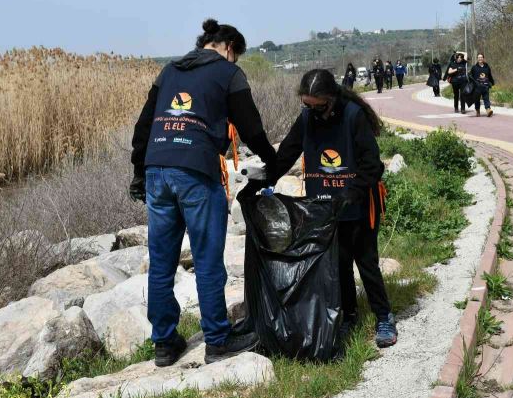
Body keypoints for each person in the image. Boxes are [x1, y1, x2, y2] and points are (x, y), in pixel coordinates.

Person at [130, 19, 278, 366]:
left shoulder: (169, 71)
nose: (235, 62)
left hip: (157, 170)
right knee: (208, 260)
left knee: (162, 263)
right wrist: (274, 162)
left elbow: (143, 126)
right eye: (236, 56)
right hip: (196, 171)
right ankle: (217, 340)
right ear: (228, 47)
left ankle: (164, 344)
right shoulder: (228, 74)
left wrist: (140, 173)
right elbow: (252, 129)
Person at [267, 69, 398, 348]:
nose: (314, 112)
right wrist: (265, 180)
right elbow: (287, 153)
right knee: (338, 266)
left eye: (320, 106)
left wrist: (353, 192)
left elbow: (372, 164)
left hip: (358, 203)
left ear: (333, 99)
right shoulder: (306, 119)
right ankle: (348, 315)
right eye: (308, 106)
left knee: (366, 262)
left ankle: (384, 316)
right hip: (325, 207)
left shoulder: (353, 116)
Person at [470, 53, 495, 117]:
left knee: (486, 99)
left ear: (483, 58)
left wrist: (492, 82)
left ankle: (488, 110)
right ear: (477, 59)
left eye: (481, 57)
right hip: (477, 87)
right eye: (479, 57)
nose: (480, 58)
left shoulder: (487, 67)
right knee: (477, 100)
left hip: (485, 86)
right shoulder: (474, 67)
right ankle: (477, 111)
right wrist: (471, 83)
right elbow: (470, 76)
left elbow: (489, 75)